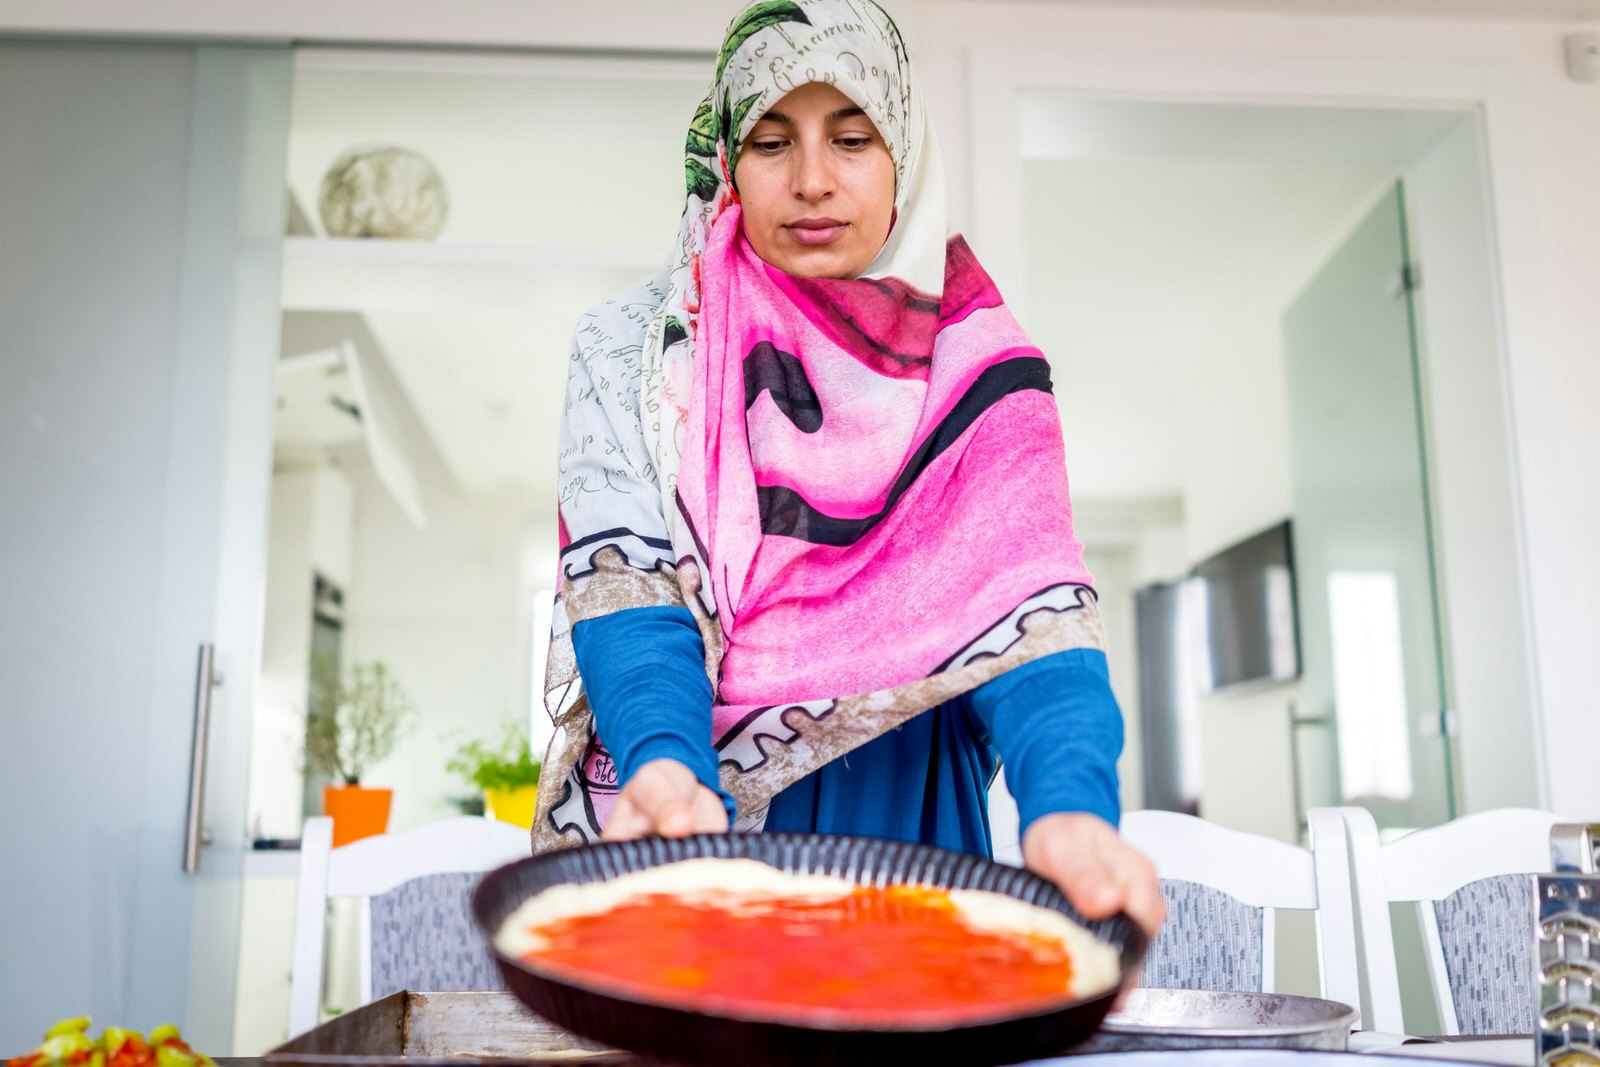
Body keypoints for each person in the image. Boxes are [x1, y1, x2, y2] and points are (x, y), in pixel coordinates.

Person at [534, 0, 1164, 940]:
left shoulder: (984, 371)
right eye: (774, 140)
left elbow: (1032, 616)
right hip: (681, 816)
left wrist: (1069, 804)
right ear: (728, 162)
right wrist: (665, 763)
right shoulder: (636, 355)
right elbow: (629, 586)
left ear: (903, 153)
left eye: (853, 137)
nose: (813, 180)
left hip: (905, 821)